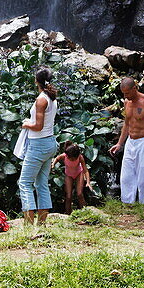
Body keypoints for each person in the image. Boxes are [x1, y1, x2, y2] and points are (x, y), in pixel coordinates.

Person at [109, 77, 144, 204]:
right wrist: (119, 143)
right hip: (130, 142)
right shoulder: (126, 102)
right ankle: (128, 203)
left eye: (127, 92)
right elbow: (126, 124)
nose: (125, 95)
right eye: (123, 93)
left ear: (134, 88)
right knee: (126, 175)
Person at [18, 66, 58, 229]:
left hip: (39, 145)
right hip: (49, 143)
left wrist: (27, 124)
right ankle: (41, 224)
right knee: (41, 183)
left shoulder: (41, 99)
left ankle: (28, 225)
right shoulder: (52, 98)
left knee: (25, 182)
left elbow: (38, 126)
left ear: (36, 81)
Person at [53, 142, 91, 214]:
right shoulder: (64, 156)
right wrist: (53, 164)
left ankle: (85, 212)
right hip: (69, 175)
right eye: (71, 159)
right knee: (68, 196)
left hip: (79, 173)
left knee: (79, 194)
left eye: (74, 159)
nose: (73, 160)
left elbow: (85, 170)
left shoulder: (80, 157)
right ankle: (68, 214)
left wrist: (88, 182)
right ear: (67, 156)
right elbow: (57, 158)